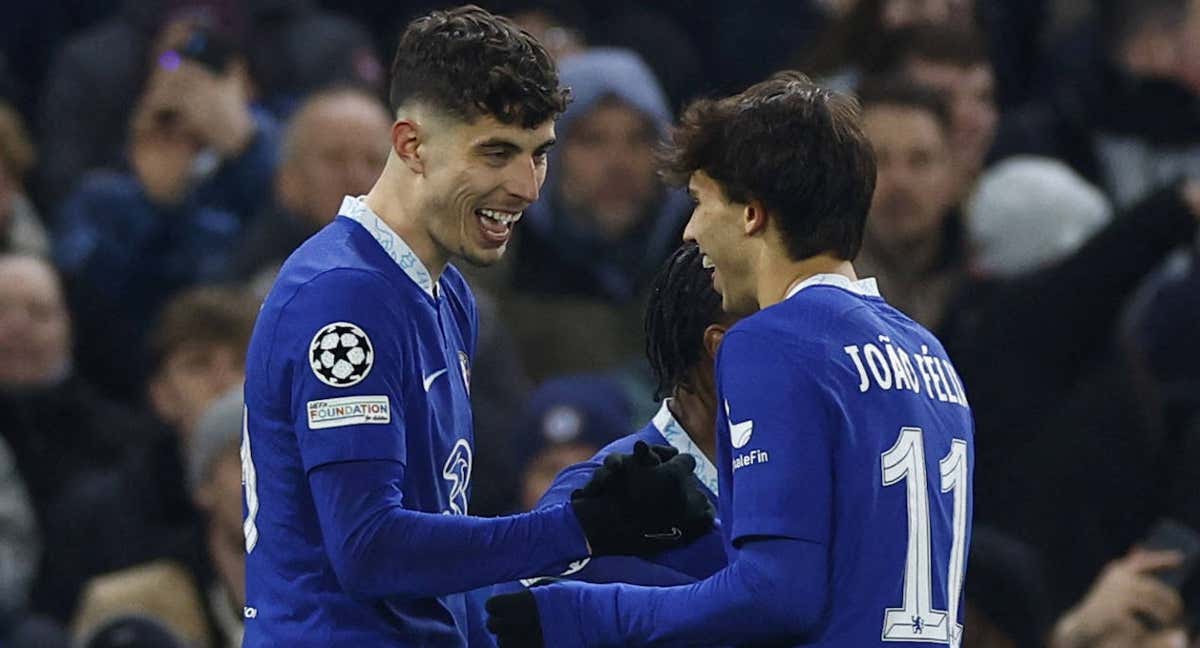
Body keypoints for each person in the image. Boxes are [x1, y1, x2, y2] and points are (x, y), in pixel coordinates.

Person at [241, 6, 712, 646]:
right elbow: (369, 548)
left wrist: (601, 489)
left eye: (538, 154)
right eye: (495, 152)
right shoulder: (344, 299)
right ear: (411, 145)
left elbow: (443, 531)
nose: (525, 186)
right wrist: (578, 527)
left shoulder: (448, 293)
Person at [487, 71, 976, 647]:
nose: (691, 230)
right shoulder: (927, 352)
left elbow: (777, 596)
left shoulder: (773, 340)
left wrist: (587, 611)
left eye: (700, 201)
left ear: (752, 214)